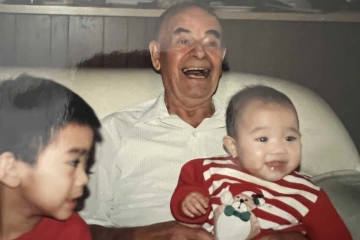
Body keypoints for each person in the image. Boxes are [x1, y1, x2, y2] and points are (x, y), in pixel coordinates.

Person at [81, 3, 310, 240]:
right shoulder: (114, 133)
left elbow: (304, 204)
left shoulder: (261, 130)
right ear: (156, 55)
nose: (200, 53)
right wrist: (154, 234)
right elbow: (76, 228)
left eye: (211, 43)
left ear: (221, 58)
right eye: (183, 41)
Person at [170, 85, 351, 240]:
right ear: (233, 146)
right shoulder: (211, 171)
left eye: (290, 138)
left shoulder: (308, 194)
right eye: (263, 139)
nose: (279, 149)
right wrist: (189, 201)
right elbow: (187, 192)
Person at [0, 75, 101, 240]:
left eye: (86, 164)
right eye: (73, 162)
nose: (84, 179)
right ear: (11, 169)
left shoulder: (71, 233)